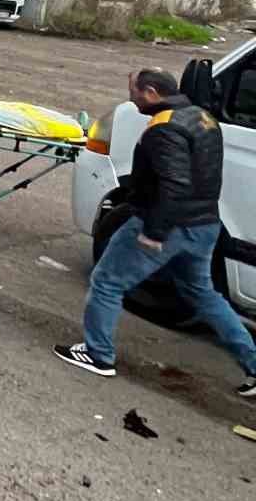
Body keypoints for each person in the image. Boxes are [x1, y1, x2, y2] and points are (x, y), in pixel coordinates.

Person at [56, 69, 256, 396]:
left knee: (107, 281)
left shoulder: (164, 129)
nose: (131, 98)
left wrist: (154, 232)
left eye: (133, 91)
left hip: (167, 225)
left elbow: (173, 185)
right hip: (204, 225)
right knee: (201, 293)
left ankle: (98, 355)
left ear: (151, 92)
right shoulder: (202, 117)